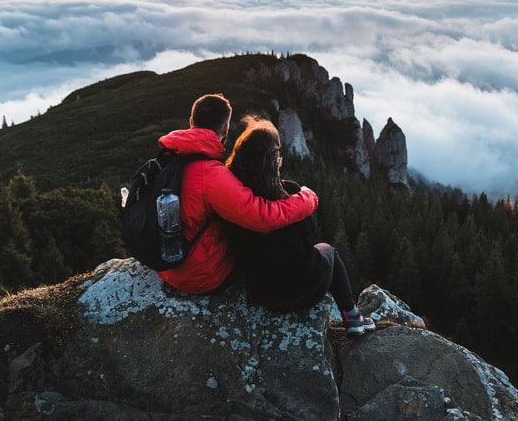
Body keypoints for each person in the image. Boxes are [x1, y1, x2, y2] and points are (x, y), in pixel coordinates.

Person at [225, 115, 375, 336]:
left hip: (265, 294)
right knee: (328, 250)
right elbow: (308, 234)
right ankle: (352, 316)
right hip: (305, 287)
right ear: (274, 160)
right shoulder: (291, 193)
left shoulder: (233, 201)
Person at [156, 93, 320, 295]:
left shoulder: (166, 158)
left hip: (165, 265)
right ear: (226, 128)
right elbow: (262, 216)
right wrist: (308, 198)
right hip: (199, 275)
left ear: (191, 122)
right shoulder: (212, 175)